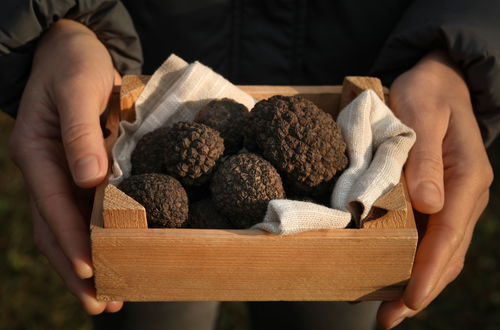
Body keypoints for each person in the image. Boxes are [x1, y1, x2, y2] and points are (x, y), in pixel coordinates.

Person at [1, 1, 498, 329]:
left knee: (330, 305)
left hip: (370, 46)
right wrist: (62, 20)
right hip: (138, 44)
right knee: (153, 306)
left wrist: (454, 52)